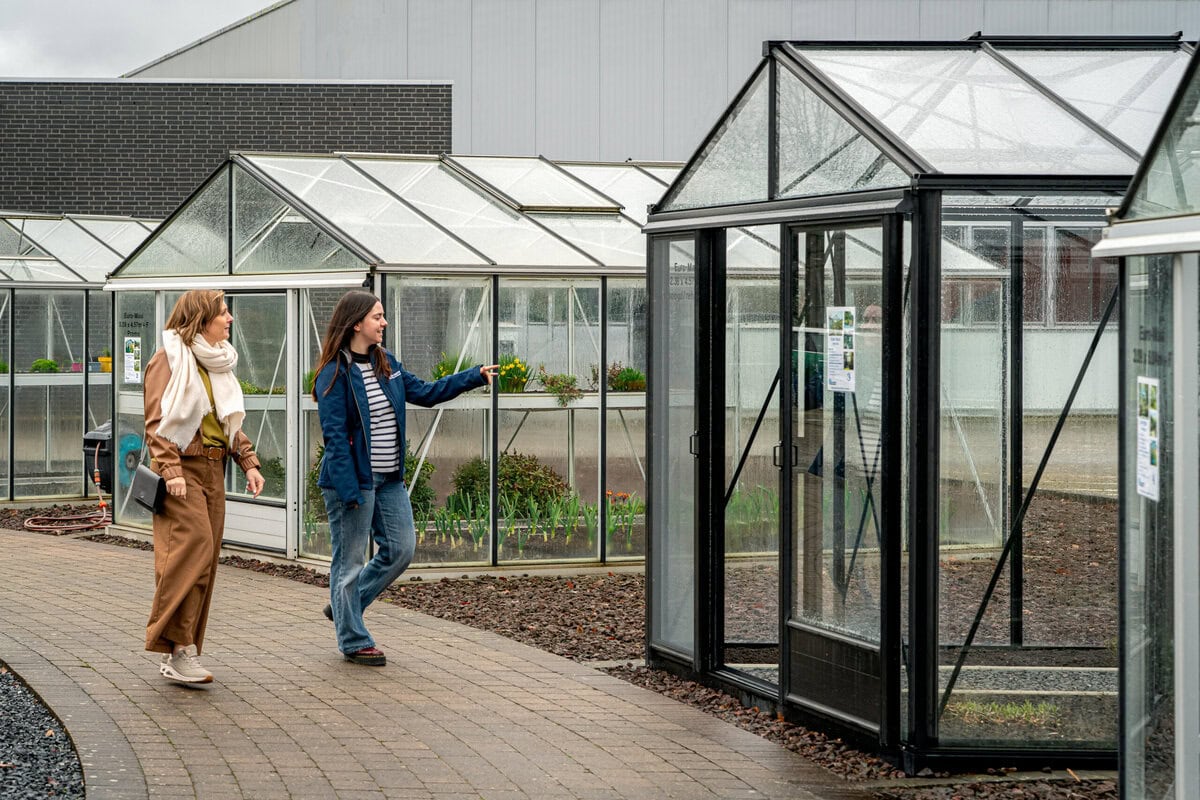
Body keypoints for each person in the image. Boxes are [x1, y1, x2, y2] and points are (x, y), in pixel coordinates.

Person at [312, 290, 497, 666]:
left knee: (401, 550)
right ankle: (353, 639)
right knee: (348, 563)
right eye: (377, 317)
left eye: (383, 316)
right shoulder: (333, 374)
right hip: (354, 483)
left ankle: (344, 608)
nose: (384, 323)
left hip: (389, 479)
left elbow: (427, 393)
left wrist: (472, 376)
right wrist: (351, 493)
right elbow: (335, 438)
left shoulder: (387, 364)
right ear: (356, 322)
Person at [143, 290, 265, 684]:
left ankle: (184, 649)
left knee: (205, 560)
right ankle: (176, 646)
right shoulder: (170, 359)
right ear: (201, 318)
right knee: (192, 549)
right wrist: (171, 469)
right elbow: (157, 422)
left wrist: (247, 462)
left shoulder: (217, 362)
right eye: (223, 313)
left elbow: (228, 422)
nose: (230, 319)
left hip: (214, 469)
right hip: (182, 469)